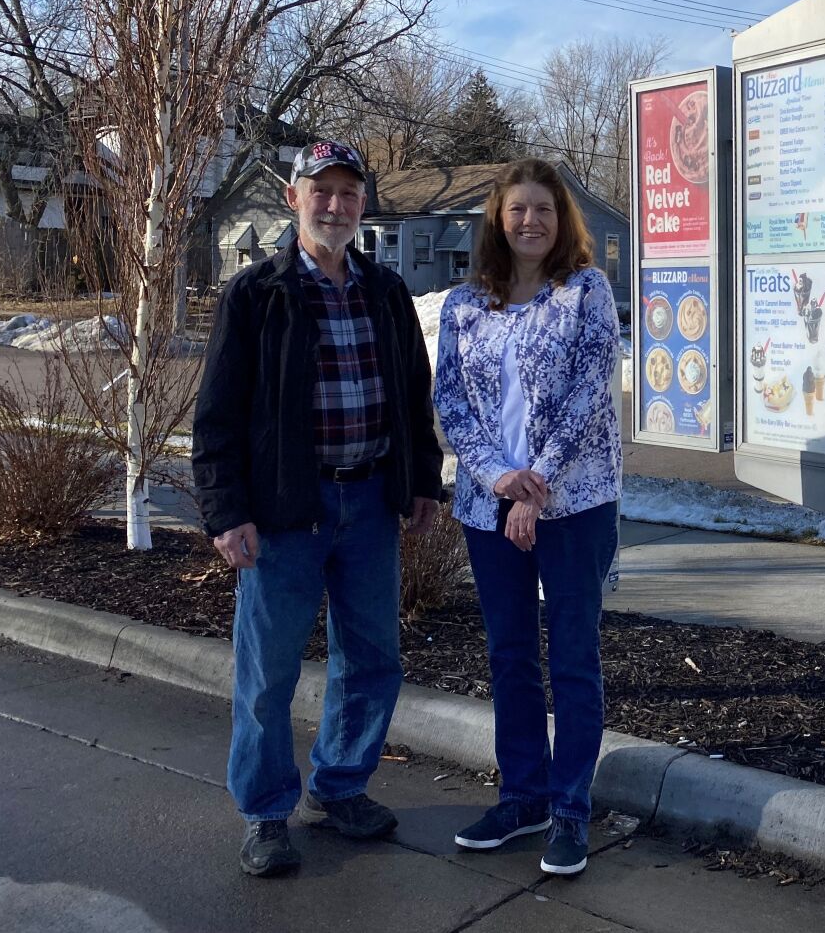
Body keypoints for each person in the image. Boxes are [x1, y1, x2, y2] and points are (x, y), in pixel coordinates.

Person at [192, 140, 442, 878]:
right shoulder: (255, 292)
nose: (335, 205)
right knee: (267, 671)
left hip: (368, 503)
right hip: (282, 512)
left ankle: (342, 783)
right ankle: (267, 812)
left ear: (363, 202)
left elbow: (411, 397)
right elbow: (218, 415)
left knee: (372, 658)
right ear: (293, 195)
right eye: (321, 190)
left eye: (348, 192)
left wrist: (420, 479)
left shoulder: (386, 291)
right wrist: (224, 509)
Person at [434, 158, 621, 877]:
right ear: (497, 218)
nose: (531, 221)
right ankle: (524, 795)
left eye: (544, 208)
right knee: (509, 656)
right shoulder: (463, 305)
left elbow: (588, 394)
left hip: (573, 503)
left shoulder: (587, 293)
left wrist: (535, 483)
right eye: (518, 209)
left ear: (562, 218)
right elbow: (451, 399)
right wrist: (500, 479)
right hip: (488, 505)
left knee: (573, 657)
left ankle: (571, 806)